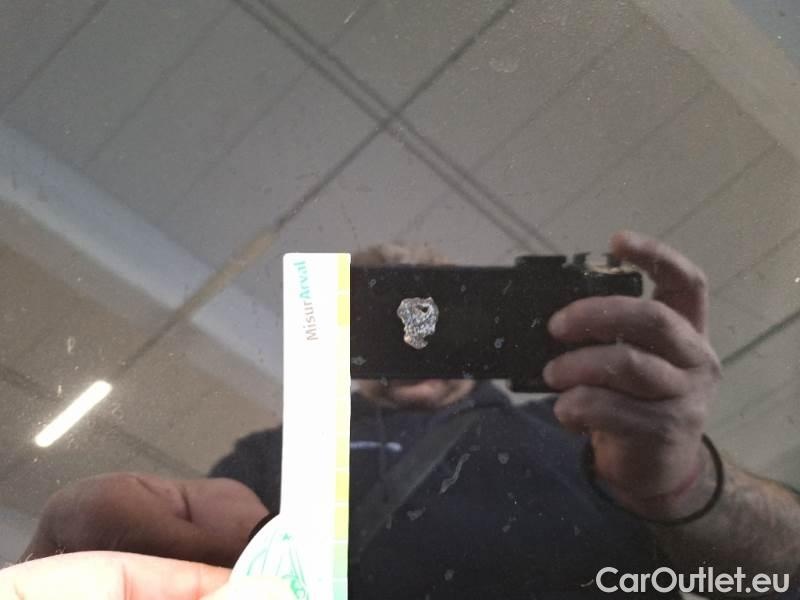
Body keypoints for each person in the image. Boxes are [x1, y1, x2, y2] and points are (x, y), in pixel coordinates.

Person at [17, 231, 800, 599]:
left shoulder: (588, 429)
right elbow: (215, 574)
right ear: (343, 332)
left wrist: (685, 485)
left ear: (473, 315)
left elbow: (779, 575)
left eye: (431, 302)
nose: (409, 325)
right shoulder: (281, 450)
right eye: (378, 307)